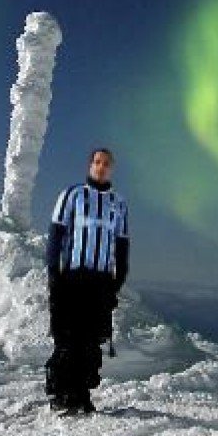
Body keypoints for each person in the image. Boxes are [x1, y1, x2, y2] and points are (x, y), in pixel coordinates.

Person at [43, 146, 129, 415]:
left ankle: (81, 394)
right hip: (72, 277)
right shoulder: (73, 196)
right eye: (96, 162)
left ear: (111, 168)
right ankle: (61, 395)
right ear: (90, 165)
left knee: (91, 341)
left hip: (101, 281)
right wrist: (54, 273)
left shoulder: (119, 203)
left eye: (106, 163)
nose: (101, 167)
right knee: (67, 338)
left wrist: (119, 278)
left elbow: (122, 244)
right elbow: (56, 235)